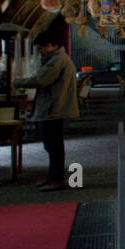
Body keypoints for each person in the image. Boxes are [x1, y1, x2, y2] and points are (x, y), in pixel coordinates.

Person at [15, 26, 79, 191]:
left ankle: (56, 178)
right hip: (55, 108)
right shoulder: (59, 59)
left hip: (53, 108)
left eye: (42, 48)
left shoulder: (57, 61)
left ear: (51, 45)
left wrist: (16, 82)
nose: (41, 52)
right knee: (52, 145)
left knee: (53, 145)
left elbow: (41, 80)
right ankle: (52, 177)